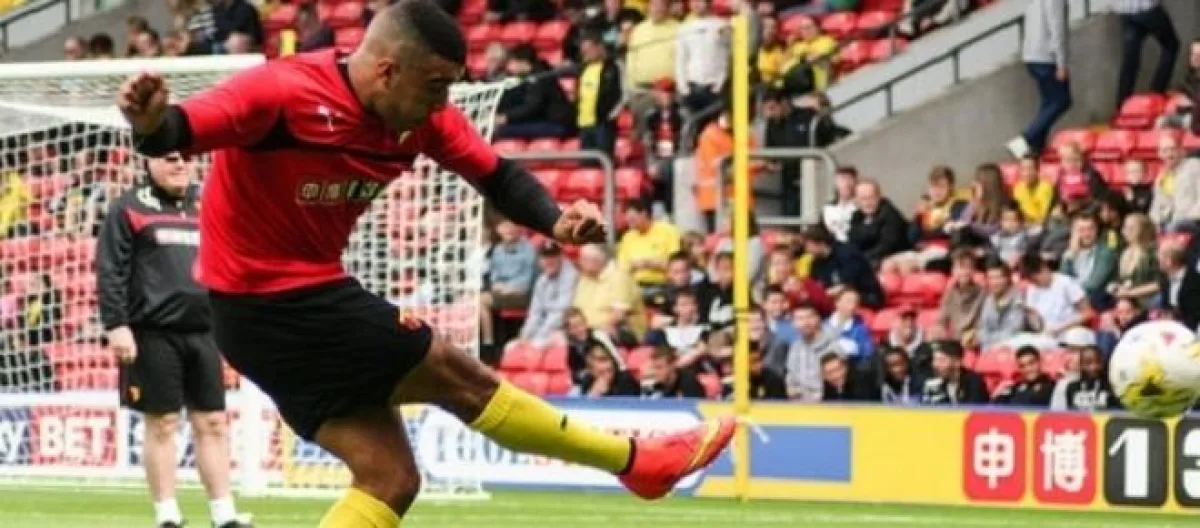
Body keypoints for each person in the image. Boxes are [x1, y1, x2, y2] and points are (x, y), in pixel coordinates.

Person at [116, 2, 734, 524]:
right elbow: (179, 129)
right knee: (452, 370)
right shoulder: (281, 92)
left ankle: (638, 467)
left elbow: (498, 176)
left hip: (282, 311)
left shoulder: (423, 119)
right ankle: (634, 462)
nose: (444, 101)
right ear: (387, 70)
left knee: (389, 479)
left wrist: (555, 221)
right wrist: (149, 122)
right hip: (267, 301)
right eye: (436, 84)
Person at [96, 153, 250, 528]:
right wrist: (116, 324)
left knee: (213, 421)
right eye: (170, 158)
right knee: (162, 421)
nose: (180, 165)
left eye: (187, 158)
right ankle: (167, 514)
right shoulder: (127, 208)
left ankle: (224, 514)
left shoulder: (209, 204)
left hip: (205, 331)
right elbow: (110, 270)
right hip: (152, 332)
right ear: (149, 162)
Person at [1008, 0, 1069, 158]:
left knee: (1048, 103)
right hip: (1046, 56)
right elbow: (1057, 29)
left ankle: (1037, 149)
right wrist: (1061, 62)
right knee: (1061, 100)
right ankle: (1026, 137)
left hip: (1032, 54)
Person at [1114, 0, 1179, 110]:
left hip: (1124, 10)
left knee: (1130, 59)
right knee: (1171, 45)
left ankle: (1122, 105)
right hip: (1148, 8)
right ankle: (1156, 94)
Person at [804, 224, 885, 308]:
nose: (807, 250)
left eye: (808, 246)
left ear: (821, 243)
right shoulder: (816, 263)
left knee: (846, 296)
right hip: (836, 299)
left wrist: (824, 294)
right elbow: (814, 285)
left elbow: (847, 285)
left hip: (866, 296)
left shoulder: (848, 254)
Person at [519, 240, 578, 345]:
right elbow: (535, 312)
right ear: (539, 260)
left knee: (538, 345)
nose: (549, 261)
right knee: (511, 347)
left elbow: (561, 313)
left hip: (566, 328)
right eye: (545, 257)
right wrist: (525, 335)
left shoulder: (570, 276)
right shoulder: (542, 280)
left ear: (561, 257)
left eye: (553, 256)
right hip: (545, 329)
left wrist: (538, 337)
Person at [1020, 254, 1089, 338]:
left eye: (1036, 280)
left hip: (1068, 332)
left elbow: (1088, 313)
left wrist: (1060, 328)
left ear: (1044, 268)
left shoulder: (1066, 283)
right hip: (1045, 334)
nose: (1035, 284)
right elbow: (1033, 317)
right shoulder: (1032, 288)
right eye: (1032, 281)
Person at [784, 303, 843, 401]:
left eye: (809, 317)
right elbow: (791, 379)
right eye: (800, 319)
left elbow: (838, 385)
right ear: (793, 323)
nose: (805, 323)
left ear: (818, 319)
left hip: (827, 403)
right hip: (799, 403)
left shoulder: (833, 347)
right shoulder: (795, 347)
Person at [1060, 213, 1117, 311]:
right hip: (1075, 301)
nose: (1087, 234)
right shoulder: (1070, 253)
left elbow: (1093, 285)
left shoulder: (1105, 253)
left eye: (1090, 229)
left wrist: (1069, 295)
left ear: (1096, 230)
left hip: (1096, 302)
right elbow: (1064, 280)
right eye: (1081, 230)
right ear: (1073, 232)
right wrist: (1070, 256)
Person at [975, 259, 1027, 350]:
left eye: (998, 277)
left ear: (1007, 278)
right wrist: (982, 338)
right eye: (991, 278)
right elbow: (981, 327)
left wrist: (987, 339)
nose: (994, 282)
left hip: (1009, 348)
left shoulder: (1017, 298)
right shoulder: (989, 299)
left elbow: (1013, 331)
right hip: (987, 348)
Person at [920, 343, 989, 405]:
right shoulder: (931, 383)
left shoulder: (974, 382)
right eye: (934, 360)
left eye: (942, 360)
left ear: (957, 363)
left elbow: (976, 409)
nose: (935, 365)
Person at [1061, 346, 1121, 411]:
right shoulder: (1072, 387)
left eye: (1098, 362)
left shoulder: (1112, 387)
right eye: (1088, 363)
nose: (1094, 367)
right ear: (1081, 365)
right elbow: (1070, 413)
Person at [640, 346, 706, 398]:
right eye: (653, 368)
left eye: (659, 368)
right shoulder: (651, 383)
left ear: (672, 366)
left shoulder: (689, 383)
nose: (655, 372)